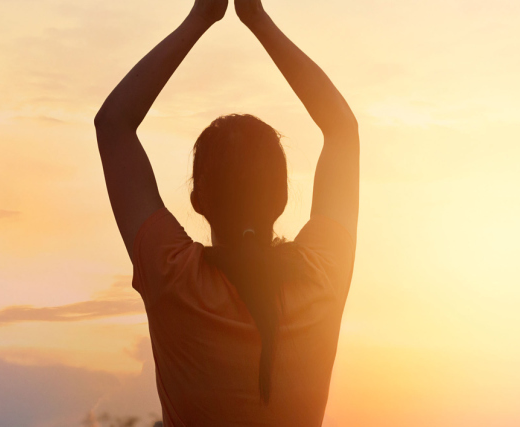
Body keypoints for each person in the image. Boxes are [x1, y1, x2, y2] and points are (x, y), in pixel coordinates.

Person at [93, 0, 358, 424]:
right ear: (283, 199)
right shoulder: (321, 274)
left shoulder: (172, 274)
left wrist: (201, 17)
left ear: (198, 200)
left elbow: (113, 125)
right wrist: (256, 17)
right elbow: (343, 129)